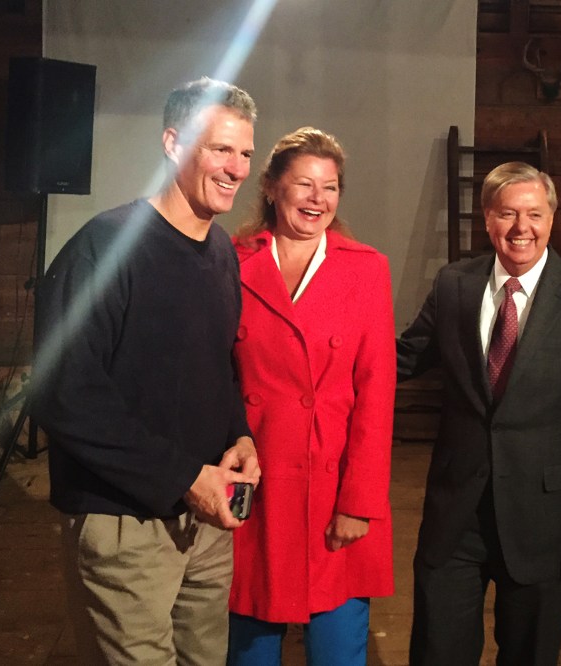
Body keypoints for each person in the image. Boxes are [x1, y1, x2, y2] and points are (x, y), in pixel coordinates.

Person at [30, 77, 262, 665]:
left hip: (205, 518)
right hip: (124, 522)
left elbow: (215, 367)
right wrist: (183, 475)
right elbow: (62, 393)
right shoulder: (105, 247)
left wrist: (239, 435)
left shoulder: (220, 253)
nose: (236, 168)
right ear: (173, 143)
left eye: (244, 153)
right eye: (220, 149)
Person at [397, 161, 561, 665]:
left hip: (546, 522)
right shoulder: (454, 284)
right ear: (487, 218)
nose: (521, 227)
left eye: (535, 214)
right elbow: (403, 359)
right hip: (455, 517)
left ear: (552, 219)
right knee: (437, 653)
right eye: (507, 213)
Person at [227, 127, 396, 665]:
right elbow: (214, 378)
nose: (317, 199)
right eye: (304, 184)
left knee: (338, 649)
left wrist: (359, 503)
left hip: (334, 485)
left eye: (330, 187)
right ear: (271, 187)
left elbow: (376, 394)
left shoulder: (366, 267)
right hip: (254, 481)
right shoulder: (230, 261)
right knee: (249, 647)